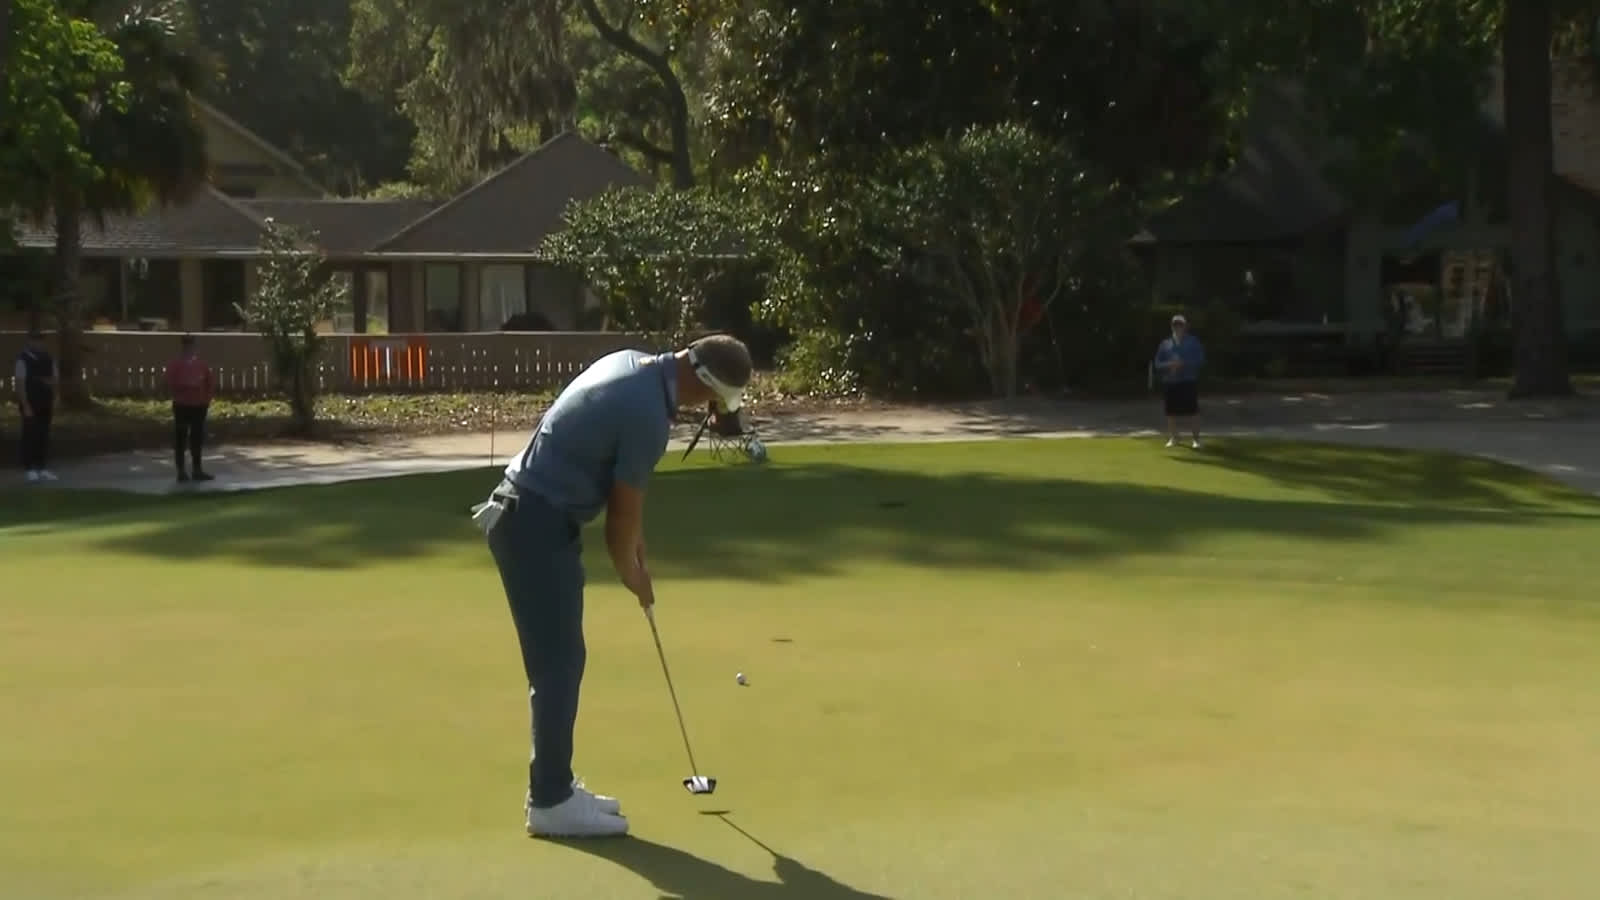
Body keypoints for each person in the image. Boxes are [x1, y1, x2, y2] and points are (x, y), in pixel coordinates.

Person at [469, 333, 754, 839]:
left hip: (528, 514)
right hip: (534, 524)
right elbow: (619, 523)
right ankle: (550, 801)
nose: (707, 409)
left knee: (560, 660)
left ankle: (555, 784)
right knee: (559, 663)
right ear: (703, 382)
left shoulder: (632, 366)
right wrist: (635, 577)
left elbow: (625, 505)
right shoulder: (648, 416)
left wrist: (634, 544)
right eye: (712, 399)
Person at [165, 334, 215, 482]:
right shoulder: (176, 364)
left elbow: (209, 383)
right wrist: (182, 388)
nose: (190, 348)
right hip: (182, 405)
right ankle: (181, 471)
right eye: (188, 345)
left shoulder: (201, 364)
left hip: (199, 405)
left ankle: (197, 469)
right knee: (181, 436)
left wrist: (206, 400)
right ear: (184, 346)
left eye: (192, 345)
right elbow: (168, 382)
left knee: (197, 437)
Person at [1153, 314, 1205, 449]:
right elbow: (1158, 363)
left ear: (1185, 326)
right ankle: (1174, 437)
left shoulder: (1193, 341)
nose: (1177, 327)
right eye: (1175, 325)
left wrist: (1184, 364)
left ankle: (1196, 440)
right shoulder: (1165, 344)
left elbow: (1200, 360)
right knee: (1170, 412)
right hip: (1171, 382)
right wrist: (1169, 365)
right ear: (1172, 326)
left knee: (1193, 411)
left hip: (1188, 380)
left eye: (1180, 325)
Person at [15, 329, 58, 482]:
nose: (38, 344)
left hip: (46, 402)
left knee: (43, 435)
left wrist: (48, 384)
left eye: (40, 341)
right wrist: (25, 405)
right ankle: (29, 468)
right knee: (29, 435)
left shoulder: (48, 359)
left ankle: (42, 467)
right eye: (35, 341)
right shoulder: (23, 359)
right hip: (30, 402)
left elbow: (54, 380)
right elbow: (20, 383)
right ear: (29, 342)